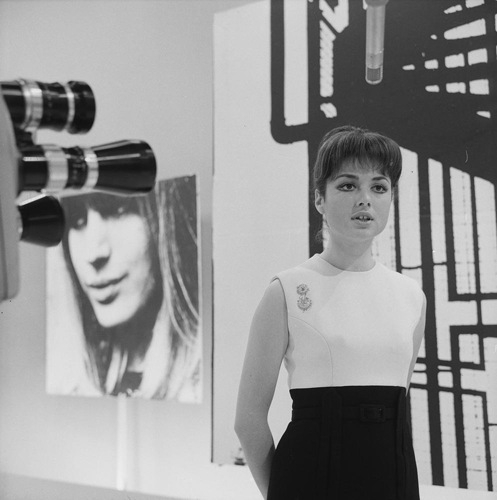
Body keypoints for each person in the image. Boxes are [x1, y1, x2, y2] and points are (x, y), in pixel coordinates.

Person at [234, 126, 426, 499]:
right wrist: (283, 492)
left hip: (395, 481)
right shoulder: (286, 290)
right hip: (308, 483)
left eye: (379, 187)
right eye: (348, 185)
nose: (365, 199)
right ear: (319, 198)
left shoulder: (411, 297)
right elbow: (248, 420)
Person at [47, 177, 201, 401]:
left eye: (117, 210)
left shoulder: (202, 384)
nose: (93, 253)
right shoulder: (69, 383)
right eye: (77, 219)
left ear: (167, 221)